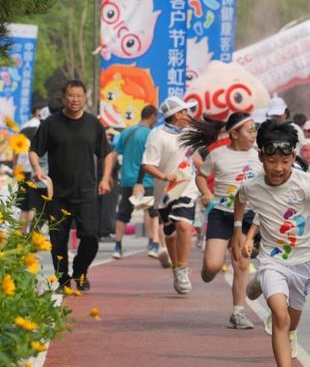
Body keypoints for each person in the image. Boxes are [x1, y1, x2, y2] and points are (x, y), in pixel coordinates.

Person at [232, 120, 310, 366]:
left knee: (291, 322)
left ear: (293, 157)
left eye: (285, 162)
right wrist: (238, 231)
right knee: (280, 317)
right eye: (271, 161)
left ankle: (268, 295)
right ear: (260, 156)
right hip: (272, 261)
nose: (278, 168)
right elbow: (239, 199)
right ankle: (265, 280)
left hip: (303, 262)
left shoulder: (305, 184)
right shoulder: (252, 186)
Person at [29, 80, 114, 290]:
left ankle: (80, 271)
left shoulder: (93, 124)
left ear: (84, 98)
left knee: (90, 237)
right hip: (57, 194)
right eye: (71, 95)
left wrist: (105, 178)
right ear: (63, 97)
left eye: (79, 96)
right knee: (58, 241)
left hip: (86, 192)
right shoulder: (51, 123)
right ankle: (63, 279)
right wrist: (37, 169)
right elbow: (34, 150)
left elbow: (107, 153)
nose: (75, 99)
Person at [179, 112, 262, 329]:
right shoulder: (217, 154)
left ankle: (238, 313)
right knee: (213, 266)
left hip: (247, 215)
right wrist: (206, 192)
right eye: (249, 131)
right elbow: (201, 176)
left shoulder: (259, 156)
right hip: (221, 214)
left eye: (255, 130)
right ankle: (208, 269)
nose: (254, 135)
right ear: (234, 134)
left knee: (241, 264)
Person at [141, 97, 199, 295]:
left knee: (184, 225)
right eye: (184, 111)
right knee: (170, 233)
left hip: (187, 186)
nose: (188, 115)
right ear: (176, 115)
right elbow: (147, 164)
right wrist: (164, 176)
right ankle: (176, 268)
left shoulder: (190, 133)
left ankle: (182, 268)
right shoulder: (157, 135)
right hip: (165, 192)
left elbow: (195, 156)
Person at [112, 105, 163, 260]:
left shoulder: (126, 132)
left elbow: (115, 154)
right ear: (153, 117)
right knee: (152, 212)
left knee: (123, 213)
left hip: (127, 180)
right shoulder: (152, 134)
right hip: (146, 180)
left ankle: (117, 246)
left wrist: (110, 175)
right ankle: (154, 243)